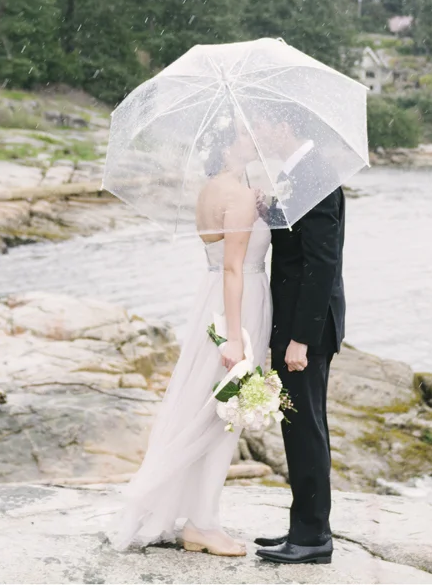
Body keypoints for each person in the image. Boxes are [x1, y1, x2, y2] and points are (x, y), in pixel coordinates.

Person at [107, 119, 271, 556]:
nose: (253, 140)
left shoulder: (213, 189)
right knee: (222, 412)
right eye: (244, 135)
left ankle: (198, 517)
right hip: (237, 304)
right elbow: (235, 268)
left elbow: (220, 257)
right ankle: (203, 524)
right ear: (226, 147)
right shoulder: (236, 196)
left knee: (208, 406)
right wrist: (235, 339)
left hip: (212, 300)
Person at [250, 115, 346, 566]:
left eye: (263, 125)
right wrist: (267, 211)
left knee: (304, 426)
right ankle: (303, 526)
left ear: (283, 125)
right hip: (292, 324)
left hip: (305, 331)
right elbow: (296, 239)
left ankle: (312, 536)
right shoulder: (296, 173)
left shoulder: (316, 175)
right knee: (300, 425)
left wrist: (301, 341)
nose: (258, 133)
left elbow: (321, 263)